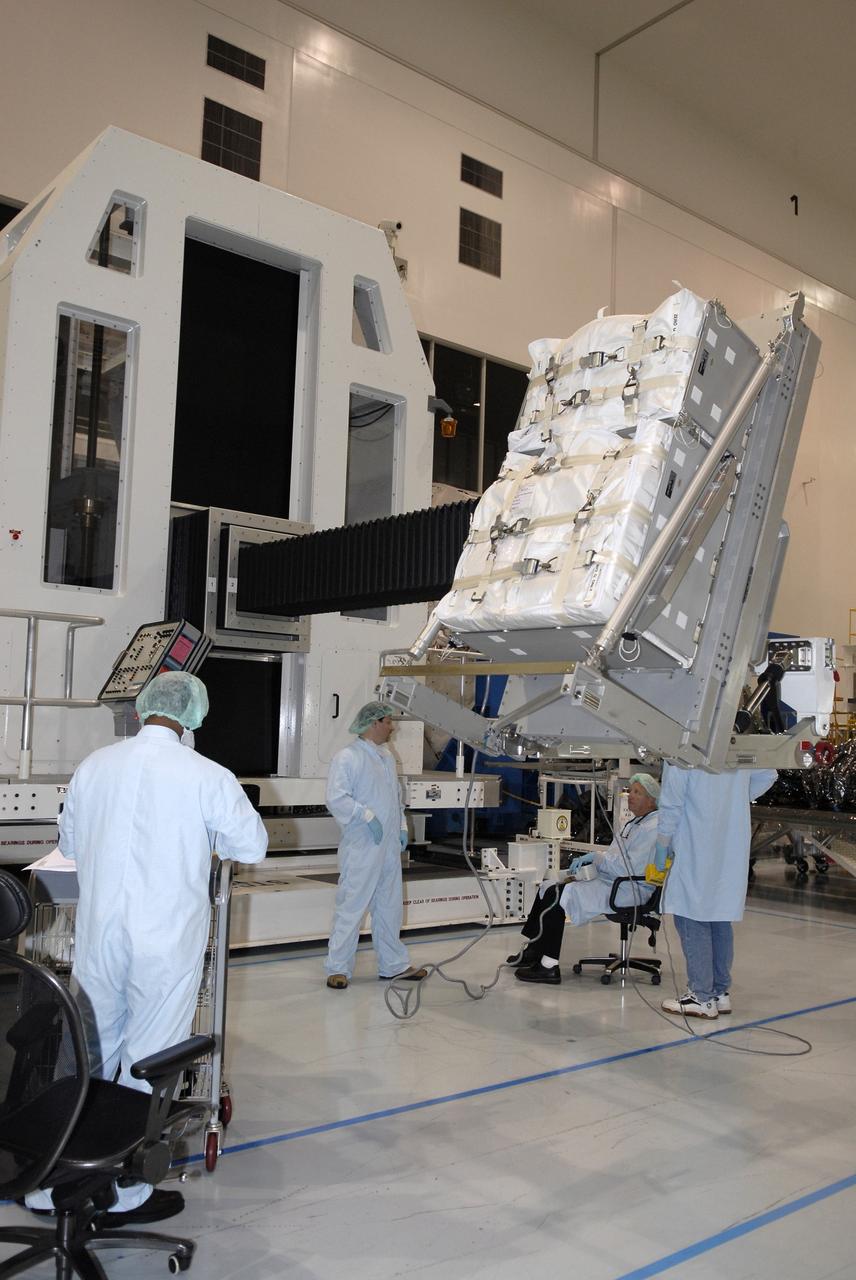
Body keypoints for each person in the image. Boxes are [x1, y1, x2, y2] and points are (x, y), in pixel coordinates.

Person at [27, 671, 268, 1224]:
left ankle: (53, 1178)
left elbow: (69, 842)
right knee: (149, 1058)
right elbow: (250, 845)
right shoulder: (206, 774)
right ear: (193, 718)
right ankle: (124, 1190)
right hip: (165, 938)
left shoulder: (95, 766)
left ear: (140, 711)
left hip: (100, 933)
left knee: (89, 1050)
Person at [512, 773, 660, 985]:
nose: (630, 796)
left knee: (558, 895)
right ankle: (534, 949)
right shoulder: (633, 824)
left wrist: (596, 859)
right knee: (549, 884)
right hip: (613, 880)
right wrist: (590, 865)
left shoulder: (653, 827)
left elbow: (629, 867)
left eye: (637, 793)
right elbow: (614, 857)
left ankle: (548, 966)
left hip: (630, 888)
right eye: (630, 791)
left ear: (652, 799)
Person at [654, 763, 776, 1019]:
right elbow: (769, 773)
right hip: (729, 843)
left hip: (696, 845)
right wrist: (733, 799)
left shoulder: (682, 749)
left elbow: (672, 803)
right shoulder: (735, 744)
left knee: (691, 916)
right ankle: (719, 993)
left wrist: (662, 843)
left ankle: (701, 996)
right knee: (718, 917)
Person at [325, 702, 427, 990]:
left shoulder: (385, 756)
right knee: (352, 907)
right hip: (362, 846)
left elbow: (396, 797)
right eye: (387, 721)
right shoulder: (348, 758)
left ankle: (393, 965)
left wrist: (403, 826)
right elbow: (336, 798)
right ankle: (337, 968)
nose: (391, 726)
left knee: (389, 906)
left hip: (388, 848)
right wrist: (365, 815)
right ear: (373, 723)